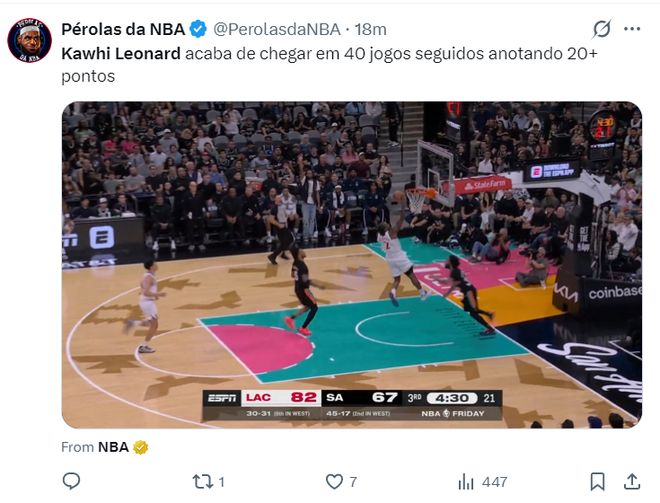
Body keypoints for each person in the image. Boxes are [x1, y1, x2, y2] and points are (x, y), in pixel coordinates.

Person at [376, 203, 430, 307]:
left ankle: (393, 292)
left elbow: (381, 229)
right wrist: (402, 207)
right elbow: (401, 220)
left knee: (397, 279)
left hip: (390, 259)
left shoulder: (379, 236)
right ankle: (422, 293)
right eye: (386, 224)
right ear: (386, 229)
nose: (388, 224)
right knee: (411, 275)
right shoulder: (392, 233)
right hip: (399, 258)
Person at [442, 255, 495, 335]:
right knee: (472, 310)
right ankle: (488, 314)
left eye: (447, 260)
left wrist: (435, 278)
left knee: (473, 313)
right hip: (469, 291)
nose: (445, 261)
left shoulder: (454, 272)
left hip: (469, 292)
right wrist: (447, 293)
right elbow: (455, 284)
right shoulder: (456, 271)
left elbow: (447, 282)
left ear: (451, 262)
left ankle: (490, 329)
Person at [123, 259, 166, 354]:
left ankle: (133, 323)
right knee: (154, 325)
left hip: (148, 302)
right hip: (147, 303)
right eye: (155, 264)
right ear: (151, 266)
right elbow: (145, 292)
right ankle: (143, 346)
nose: (157, 264)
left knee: (152, 324)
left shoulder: (149, 276)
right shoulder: (148, 277)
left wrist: (154, 295)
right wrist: (158, 294)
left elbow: (144, 288)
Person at [283, 247, 325, 337]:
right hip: (304, 290)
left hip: (297, 289)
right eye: (301, 250)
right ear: (299, 254)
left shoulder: (295, 263)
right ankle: (303, 328)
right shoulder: (303, 267)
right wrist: (318, 285)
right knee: (314, 308)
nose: (304, 251)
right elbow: (305, 281)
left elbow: (292, 275)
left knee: (307, 306)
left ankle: (290, 319)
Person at [267, 196, 295, 265]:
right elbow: (270, 219)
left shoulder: (282, 207)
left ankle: (282, 254)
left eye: (280, 198)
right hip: (279, 228)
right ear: (276, 200)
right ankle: (273, 256)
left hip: (284, 226)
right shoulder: (274, 208)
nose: (280, 200)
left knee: (288, 240)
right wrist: (279, 224)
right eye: (279, 199)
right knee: (287, 241)